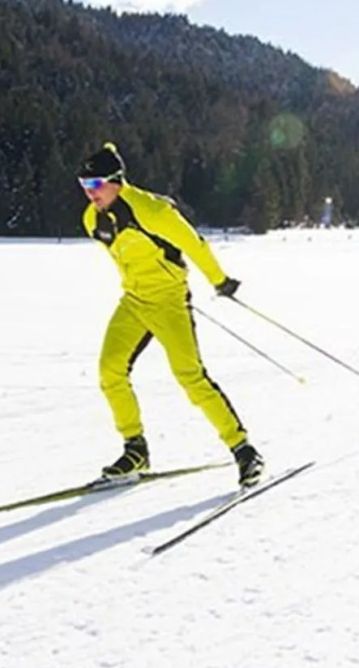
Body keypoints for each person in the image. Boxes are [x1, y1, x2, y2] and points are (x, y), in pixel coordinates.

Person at [77, 143, 265, 488]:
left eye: (95, 185)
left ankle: (244, 449)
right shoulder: (93, 220)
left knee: (189, 376)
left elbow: (194, 244)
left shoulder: (154, 212)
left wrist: (219, 281)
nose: (90, 194)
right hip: (133, 301)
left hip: (169, 302)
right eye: (83, 186)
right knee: (110, 370)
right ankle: (136, 451)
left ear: (117, 180)